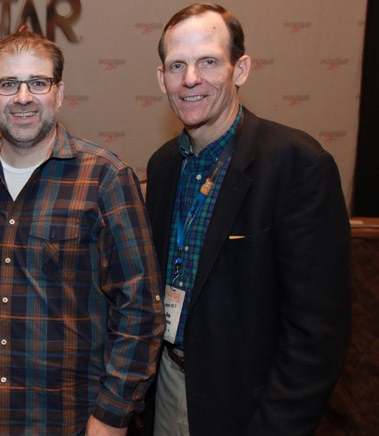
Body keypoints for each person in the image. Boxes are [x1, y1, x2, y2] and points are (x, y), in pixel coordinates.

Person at [143, 4, 351, 435]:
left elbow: (317, 334)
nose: (190, 79)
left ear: (241, 69)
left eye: (208, 62)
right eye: (177, 65)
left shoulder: (297, 165)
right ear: (161, 79)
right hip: (166, 388)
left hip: (248, 409)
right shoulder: (162, 167)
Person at [0, 31, 164, 435]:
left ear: (60, 92)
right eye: (9, 84)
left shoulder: (105, 177)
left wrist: (112, 416)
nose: (23, 97)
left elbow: (140, 307)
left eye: (38, 83)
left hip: (73, 422)